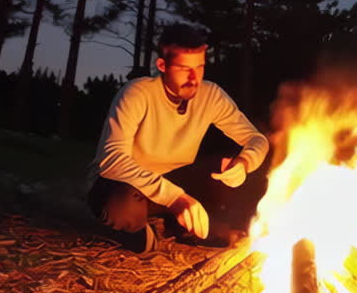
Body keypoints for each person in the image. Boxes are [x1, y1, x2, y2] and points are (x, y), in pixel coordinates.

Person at [86, 23, 269, 253]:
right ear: (162, 65)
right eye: (184, 68)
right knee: (121, 207)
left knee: (229, 169)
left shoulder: (210, 95)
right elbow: (111, 160)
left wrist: (244, 163)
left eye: (200, 67)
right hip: (128, 185)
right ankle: (134, 229)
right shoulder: (137, 93)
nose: (194, 78)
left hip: (176, 180)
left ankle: (179, 225)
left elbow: (257, 139)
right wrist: (177, 198)